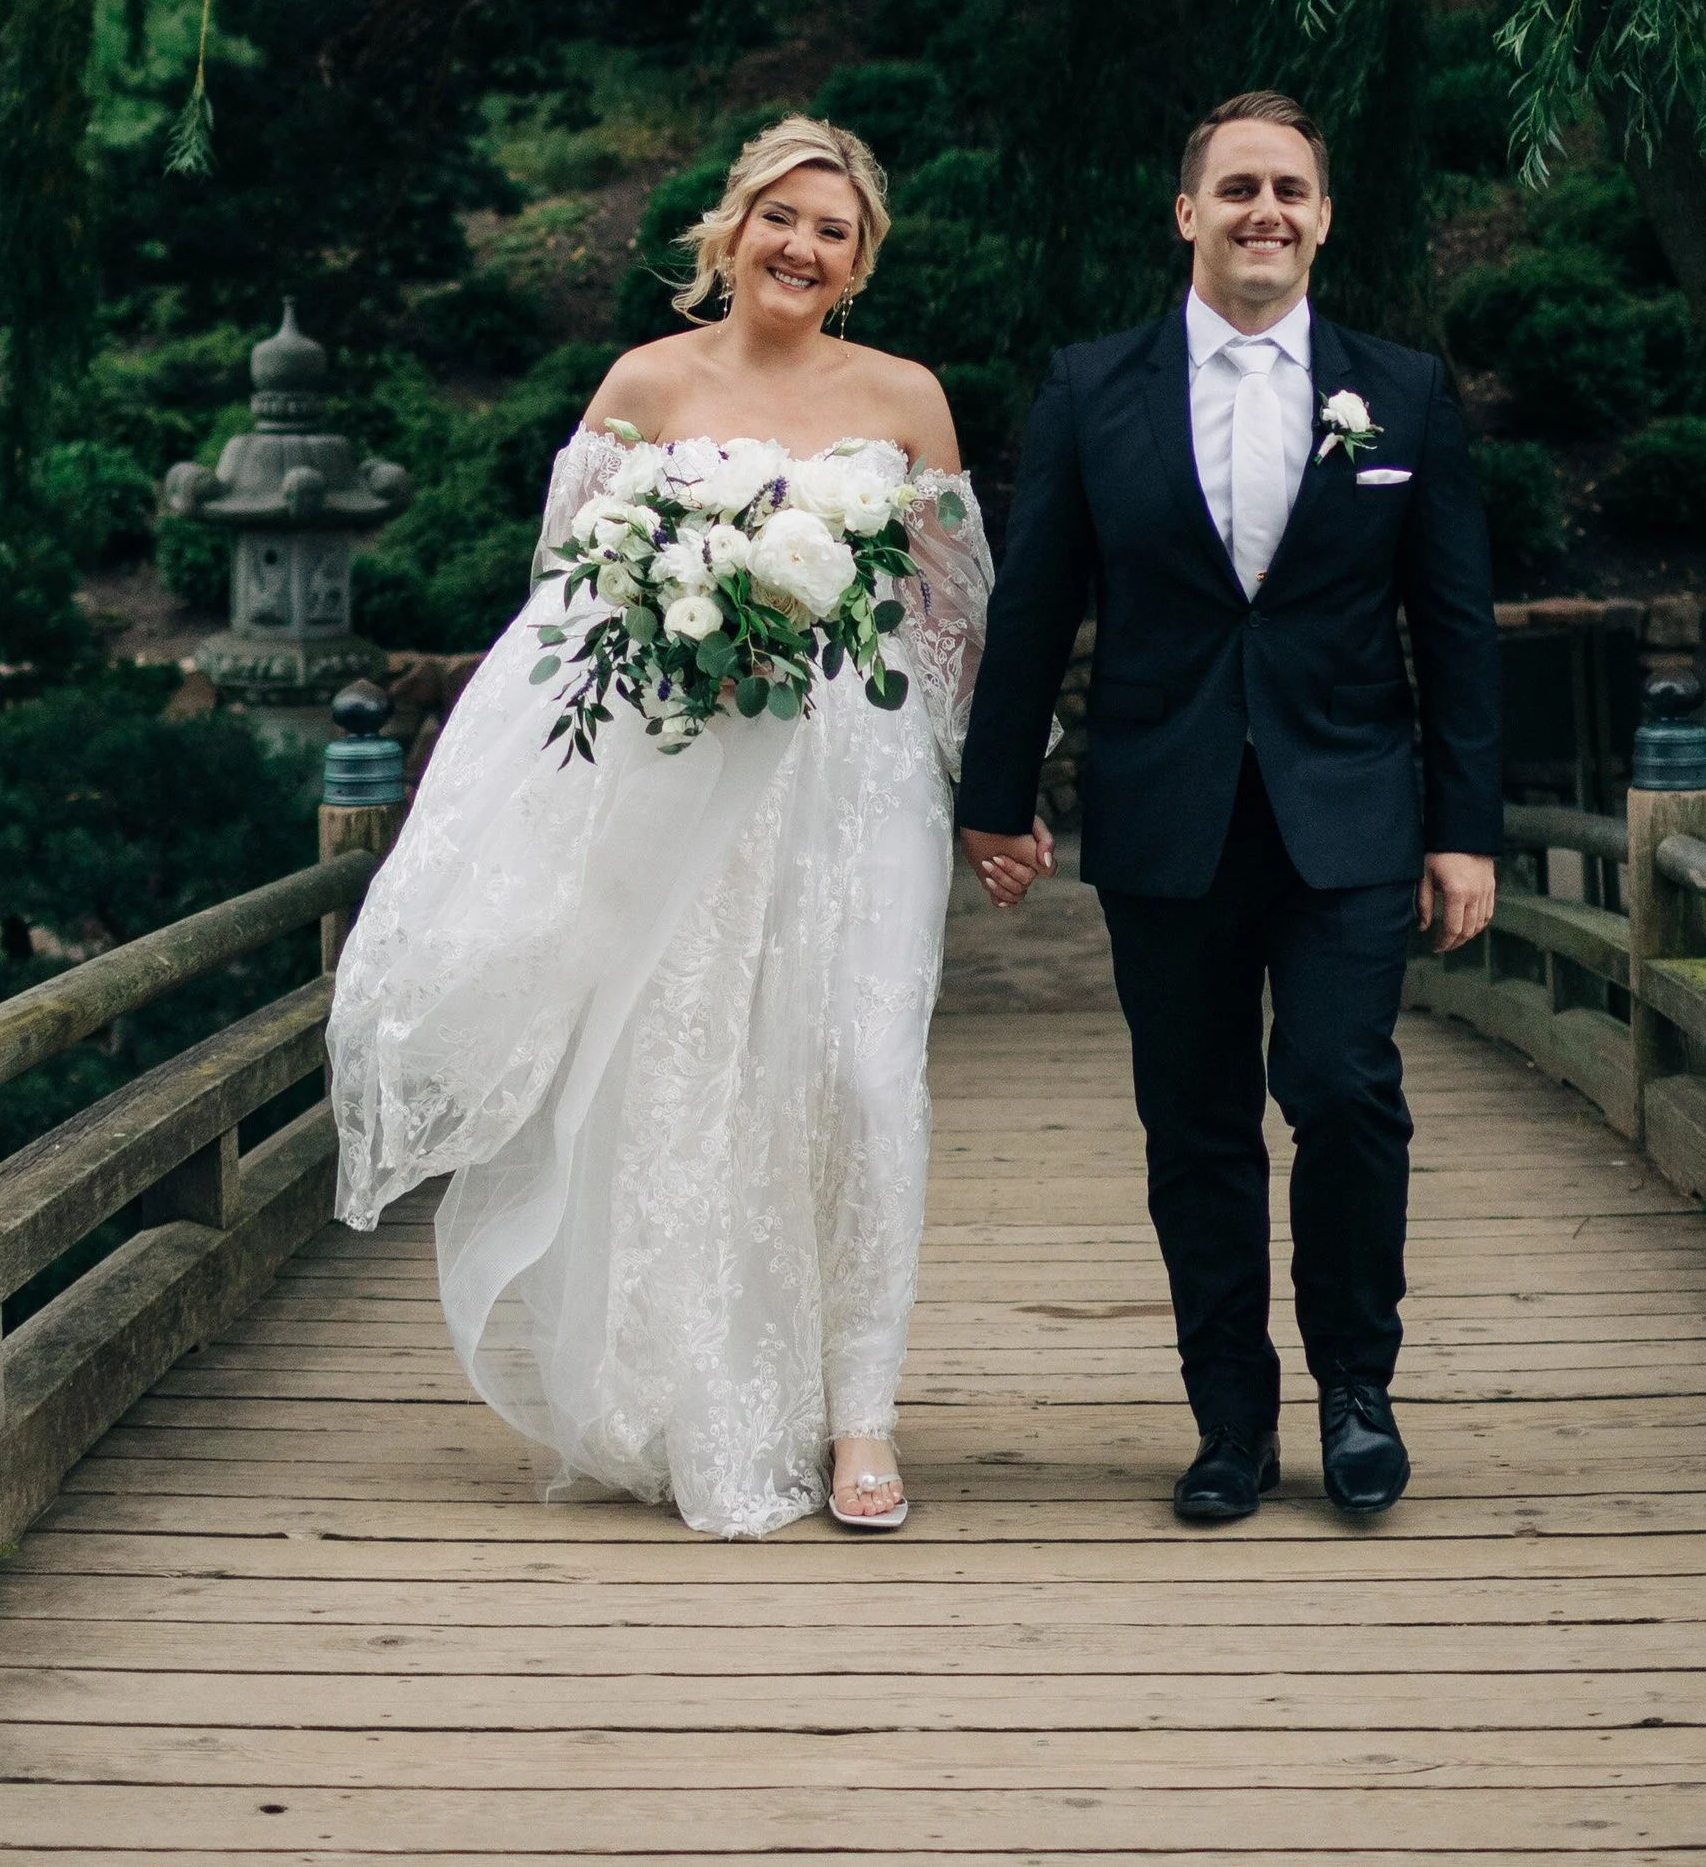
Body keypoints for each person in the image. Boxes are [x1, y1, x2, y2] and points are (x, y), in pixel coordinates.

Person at [328, 115, 989, 1541]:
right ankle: (709, 1388)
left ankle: (862, 1404)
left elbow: (951, 621)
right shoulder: (644, 381)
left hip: (865, 786)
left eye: (834, 230)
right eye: (780, 217)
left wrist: (985, 792)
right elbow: (565, 611)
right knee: (702, 1077)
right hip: (693, 782)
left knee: (866, 1074)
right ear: (730, 227)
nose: (801, 247)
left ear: (860, 260)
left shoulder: (908, 397)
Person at [955, 91, 1500, 1527]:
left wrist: (1466, 826)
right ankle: (1230, 1417)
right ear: (1187, 212)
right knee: (1194, 1123)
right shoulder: (1091, 389)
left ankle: (1359, 1391)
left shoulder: (1403, 393)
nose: (1269, 209)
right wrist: (993, 799)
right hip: (1167, 809)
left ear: (1323, 218)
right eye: (1239, 185)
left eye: (1294, 190)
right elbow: (1034, 613)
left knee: (1341, 1084)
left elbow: (1453, 626)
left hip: (1349, 810)